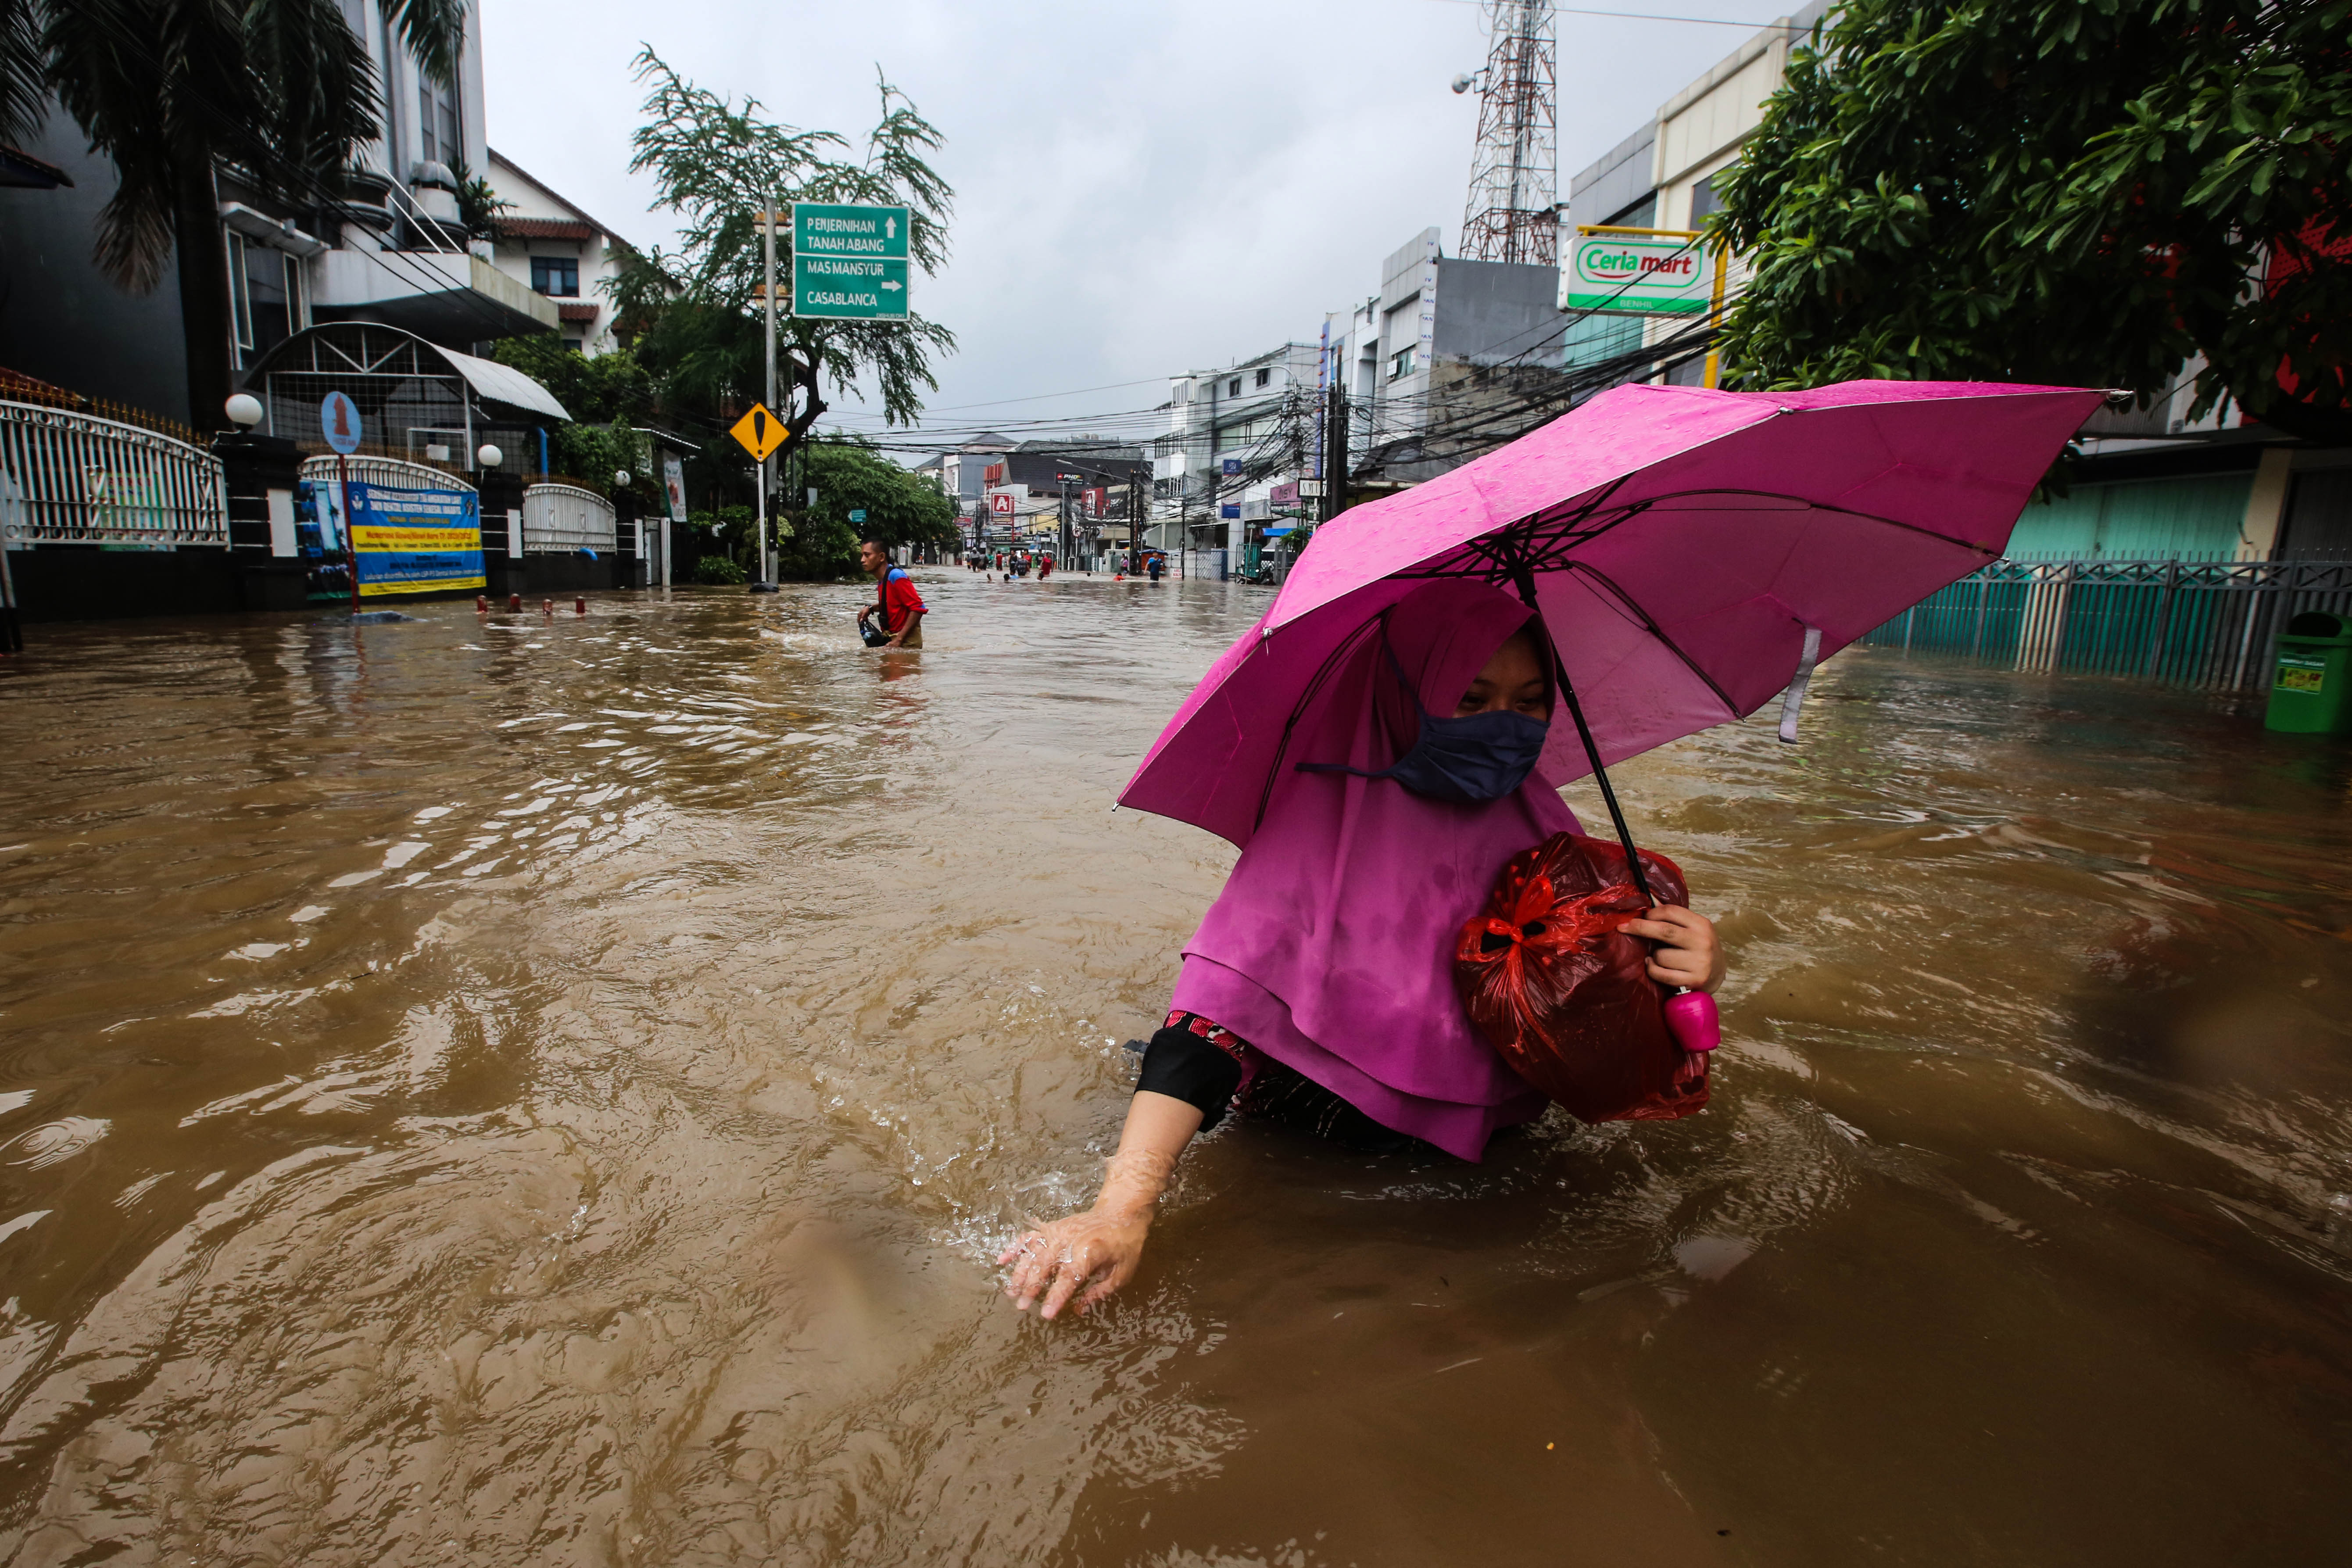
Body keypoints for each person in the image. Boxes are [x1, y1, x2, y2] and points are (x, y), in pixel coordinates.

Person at [1000, 580, 1724, 1320]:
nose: (1504, 727)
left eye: (1530, 700)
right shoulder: (1314, 841)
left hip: (1494, 1165)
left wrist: (1687, 969)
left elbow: (1612, 1019)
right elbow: (1210, 1027)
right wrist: (1122, 1207)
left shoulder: (1555, 842)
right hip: (1311, 1145)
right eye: (1470, 701)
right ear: (1403, 698)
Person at [856, 539, 925, 649]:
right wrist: (871, 608)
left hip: (905, 641)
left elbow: (918, 608)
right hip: (892, 637)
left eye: (867, 555)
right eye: (862, 555)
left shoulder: (896, 576)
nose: (862, 560)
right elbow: (893, 605)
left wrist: (899, 639)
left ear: (882, 557)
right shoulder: (883, 579)